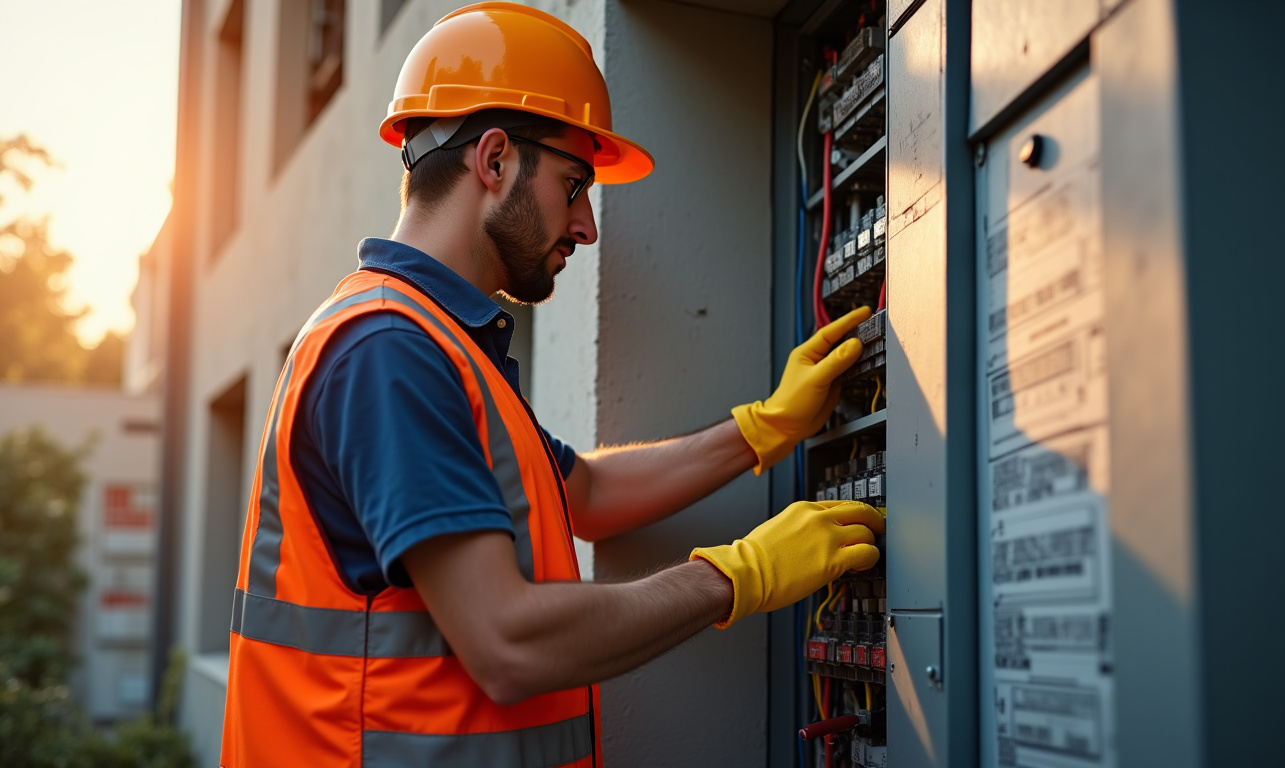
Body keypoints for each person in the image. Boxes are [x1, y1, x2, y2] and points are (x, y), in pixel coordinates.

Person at [220, 4, 883, 767]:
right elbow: (507, 641)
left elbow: (587, 496)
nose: (587, 225)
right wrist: (738, 576)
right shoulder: (388, 351)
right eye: (574, 185)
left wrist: (764, 428)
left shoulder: (437, 341)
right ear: (494, 160)